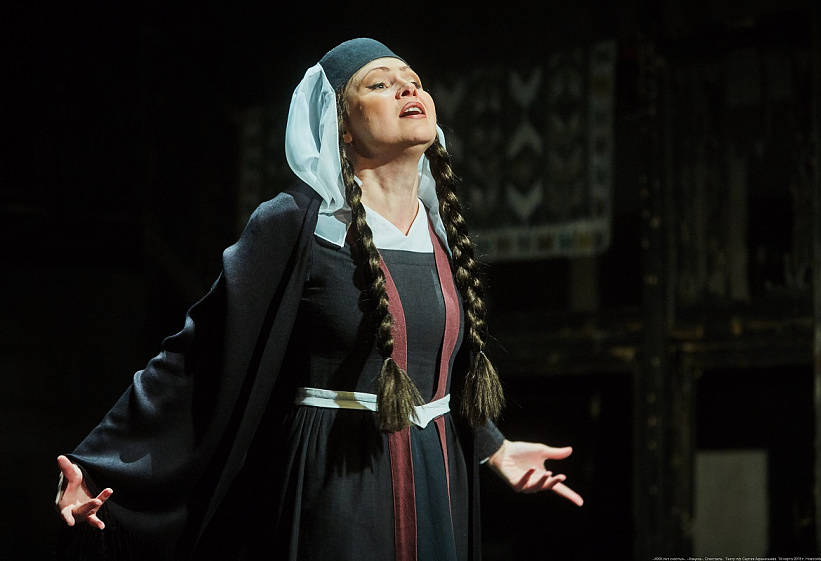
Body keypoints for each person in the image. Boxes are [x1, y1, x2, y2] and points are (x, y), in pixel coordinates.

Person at [55, 38, 583, 560]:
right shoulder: (296, 223)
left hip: (439, 476)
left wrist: (494, 448)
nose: (407, 90)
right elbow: (197, 356)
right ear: (342, 125)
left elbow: (435, 367)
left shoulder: (439, 231)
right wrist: (97, 466)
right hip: (339, 480)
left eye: (414, 82)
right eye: (380, 84)